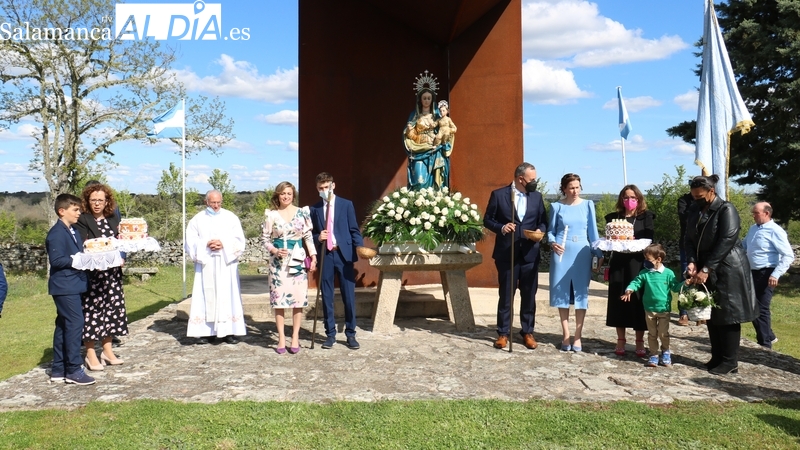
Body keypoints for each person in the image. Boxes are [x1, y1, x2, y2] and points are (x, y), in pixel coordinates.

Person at [685, 174, 757, 375]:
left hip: (728, 267)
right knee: (711, 312)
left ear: (711, 191)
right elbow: (688, 238)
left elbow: (727, 239)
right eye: (693, 196)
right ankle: (717, 356)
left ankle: (730, 361)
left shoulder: (726, 209)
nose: (696, 200)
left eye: (699, 196)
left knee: (728, 314)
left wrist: (707, 268)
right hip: (705, 266)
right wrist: (692, 261)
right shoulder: (694, 210)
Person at [483, 162, 548, 350]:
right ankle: (503, 333)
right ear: (521, 179)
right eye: (532, 179)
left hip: (530, 253)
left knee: (529, 295)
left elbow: (543, 221)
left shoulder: (537, 197)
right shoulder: (499, 195)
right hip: (507, 253)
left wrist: (539, 230)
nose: (534, 182)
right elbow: (487, 219)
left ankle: (527, 332)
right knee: (506, 295)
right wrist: (502, 227)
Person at [74, 183, 128, 371]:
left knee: (112, 310)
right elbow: (81, 245)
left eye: (100, 200)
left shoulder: (113, 218)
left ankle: (107, 351)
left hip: (112, 274)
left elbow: (122, 241)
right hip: (93, 275)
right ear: (87, 201)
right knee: (92, 313)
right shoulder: (83, 219)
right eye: (93, 200)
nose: (97, 204)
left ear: (107, 201)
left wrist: (122, 256)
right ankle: (90, 354)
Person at [548, 173, 603, 352]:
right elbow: (550, 231)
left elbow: (593, 233)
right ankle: (566, 335)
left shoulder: (588, 205)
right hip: (561, 253)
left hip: (582, 253)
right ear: (564, 189)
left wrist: (598, 253)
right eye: (571, 187)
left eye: (577, 187)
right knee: (561, 294)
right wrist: (553, 243)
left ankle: (578, 336)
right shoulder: (556, 206)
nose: (575, 191)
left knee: (581, 295)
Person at [310, 172, 364, 350]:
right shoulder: (315, 209)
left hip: (343, 254)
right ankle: (330, 334)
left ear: (333, 185)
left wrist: (360, 247)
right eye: (321, 188)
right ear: (317, 189)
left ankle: (351, 334)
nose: (324, 190)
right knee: (327, 296)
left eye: (327, 187)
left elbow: (354, 229)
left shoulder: (346, 205)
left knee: (348, 296)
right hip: (326, 255)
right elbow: (311, 234)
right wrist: (319, 237)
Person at [185, 190, 247, 345]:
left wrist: (223, 243)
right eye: (213, 202)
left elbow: (239, 240)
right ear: (206, 202)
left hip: (226, 263)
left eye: (219, 202)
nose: (216, 206)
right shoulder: (197, 219)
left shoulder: (231, 217)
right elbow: (190, 241)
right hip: (207, 262)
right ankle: (206, 332)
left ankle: (229, 331)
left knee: (228, 296)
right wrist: (205, 243)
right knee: (206, 296)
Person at [262, 181, 318, 354]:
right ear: (278, 195)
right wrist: (275, 250)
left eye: (289, 193)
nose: (286, 196)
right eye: (282, 193)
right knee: (278, 301)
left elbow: (308, 236)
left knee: (297, 300)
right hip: (278, 264)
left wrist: (313, 256)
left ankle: (295, 336)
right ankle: (280, 337)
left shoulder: (302, 213)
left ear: (293, 195)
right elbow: (265, 239)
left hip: (297, 261)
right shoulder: (271, 215)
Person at [45, 193, 94, 385]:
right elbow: (57, 260)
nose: (79, 213)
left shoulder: (72, 230)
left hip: (73, 284)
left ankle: (59, 369)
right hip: (65, 286)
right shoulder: (57, 233)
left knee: (63, 325)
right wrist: (78, 260)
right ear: (61, 211)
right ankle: (73, 369)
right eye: (75, 210)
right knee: (75, 323)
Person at [604, 185, 654, 358]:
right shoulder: (613, 218)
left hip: (638, 263)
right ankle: (621, 339)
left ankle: (639, 341)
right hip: (619, 263)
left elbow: (650, 239)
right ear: (621, 199)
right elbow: (609, 239)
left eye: (633, 197)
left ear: (638, 199)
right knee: (618, 299)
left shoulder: (646, 217)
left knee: (638, 300)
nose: (629, 200)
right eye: (626, 197)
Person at [621, 244, 686, 367]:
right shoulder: (645, 273)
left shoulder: (668, 273)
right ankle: (654, 354)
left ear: (658, 259)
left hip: (663, 309)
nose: (645, 261)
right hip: (649, 309)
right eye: (645, 259)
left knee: (663, 333)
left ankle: (665, 351)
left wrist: (685, 284)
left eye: (648, 259)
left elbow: (675, 287)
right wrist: (629, 289)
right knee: (652, 334)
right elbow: (636, 282)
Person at [742, 202, 795, 349]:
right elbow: (744, 245)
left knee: (760, 308)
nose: (753, 215)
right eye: (753, 213)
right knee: (751, 306)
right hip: (753, 272)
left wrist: (776, 274)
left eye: (756, 213)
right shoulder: (753, 229)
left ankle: (765, 345)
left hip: (767, 272)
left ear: (766, 213)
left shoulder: (775, 231)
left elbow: (788, 255)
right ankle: (769, 336)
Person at [404, 75, 452, 191]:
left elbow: (446, 129)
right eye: (424, 98)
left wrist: (443, 137)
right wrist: (409, 131)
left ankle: (434, 200)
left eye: (429, 98)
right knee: (419, 181)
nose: (426, 100)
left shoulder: (438, 116)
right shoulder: (414, 116)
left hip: (434, 150)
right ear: (420, 100)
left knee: (435, 182)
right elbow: (410, 136)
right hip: (418, 150)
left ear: (432, 100)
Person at [676, 190, 695, 326]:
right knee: (686, 277)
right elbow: (685, 219)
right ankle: (684, 312)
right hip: (686, 245)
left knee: (704, 276)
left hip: (704, 245)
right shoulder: (684, 201)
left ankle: (702, 312)